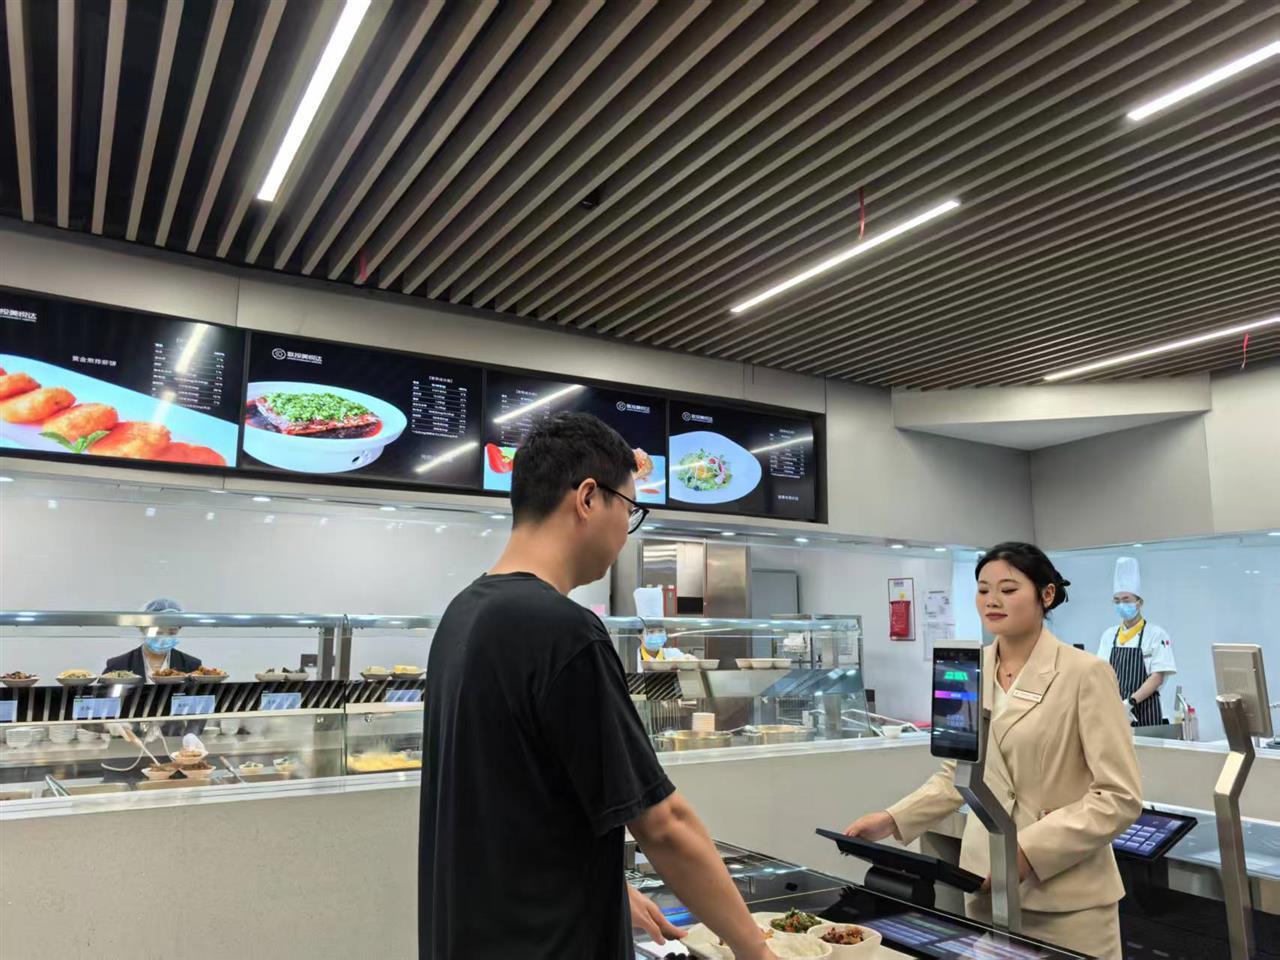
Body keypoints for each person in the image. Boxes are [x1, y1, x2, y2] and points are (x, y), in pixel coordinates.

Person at [419, 413, 769, 960]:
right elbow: (663, 824)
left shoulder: (462, 614)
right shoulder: (563, 631)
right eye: (629, 509)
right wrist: (758, 951)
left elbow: (509, 804)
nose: (626, 532)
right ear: (587, 498)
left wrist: (607, 888)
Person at [844, 542, 1141, 960]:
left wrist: (1029, 852)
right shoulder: (965, 669)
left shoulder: (1084, 673)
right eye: (983, 590)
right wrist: (893, 819)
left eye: (1008, 589)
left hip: (1066, 897)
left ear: (1046, 595)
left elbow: (1118, 796)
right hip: (985, 884)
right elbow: (961, 773)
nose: (992, 600)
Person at [1096, 557, 1177, 726]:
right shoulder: (1109, 635)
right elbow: (1101, 674)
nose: (1121, 604)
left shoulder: (1156, 634)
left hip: (1147, 712)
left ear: (1139, 602)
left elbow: (1157, 677)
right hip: (1115, 712)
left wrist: (1130, 703)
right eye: (1117, 601)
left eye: (1126, 600)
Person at [104, 598, 202, 681]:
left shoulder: (192, 666)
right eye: (157, 633)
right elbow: (103, 695)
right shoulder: (118, 666)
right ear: (142, 628)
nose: (163, 638)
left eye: (171, 633)